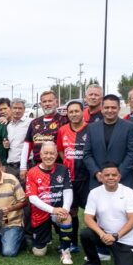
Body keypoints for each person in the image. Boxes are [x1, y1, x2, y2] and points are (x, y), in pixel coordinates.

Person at [77, 163, 133, 265]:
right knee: (86, 234)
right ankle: (93, 262)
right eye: (107, 175)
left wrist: (116, 236)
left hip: (124, 239)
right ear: (101, 177)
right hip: (104, 236)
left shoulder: (129, 192)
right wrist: (102, 234)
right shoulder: (94, 193)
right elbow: (88, 218)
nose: (111, 177)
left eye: (114, 175)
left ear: (119, 177)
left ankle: (130, 255)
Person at [25, 142, 75, 265]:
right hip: (40, 215)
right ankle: (43, 238)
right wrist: (53, 210)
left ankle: (65, 251)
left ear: (56, 155)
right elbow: (32, 199)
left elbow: (68, 191)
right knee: (39, 252)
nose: (49, 156)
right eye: (46, 153)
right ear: (40, 155)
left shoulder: (63, 169)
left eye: (52, 153)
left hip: (58, 212)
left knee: (67, 218)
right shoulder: (32, 172)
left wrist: (65, 209)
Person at [82, 95, 133, 190]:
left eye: (113, 107)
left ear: (119, 109)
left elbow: (132, 153)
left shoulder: (129, 127)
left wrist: (118, 174)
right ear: (102, 109)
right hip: (98, 181)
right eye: (106, 107)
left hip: (122, 180)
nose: (110, 110)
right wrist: (96, 172)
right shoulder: (92, 128)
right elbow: (87, 154)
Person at [55, 100, 88, 253]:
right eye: (71, 112)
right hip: (70, 178)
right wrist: (68, 163)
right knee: (71, 211)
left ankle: (98, 243)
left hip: (87, 178)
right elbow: (61, 151)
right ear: (67, 114)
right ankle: (73, 243)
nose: (74, 114)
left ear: (82, 112)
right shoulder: (62, 130)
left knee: (92, 211)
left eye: (76, 111)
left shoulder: (91, 129)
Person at [23, 90, 67, 170]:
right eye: (44, 101)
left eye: (50, 101)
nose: (47, 104)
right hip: (37, 167)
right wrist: (23, 167)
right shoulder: (34, 123)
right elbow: (27, 145)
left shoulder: (64, 121)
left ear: (56, 102)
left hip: (58, 167)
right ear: (41, 104)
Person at [5, 98, 31, 179]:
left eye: (20, 108)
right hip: (11, 166)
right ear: (11, 109)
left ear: (24, 110)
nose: (17, 110)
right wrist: (6, 145)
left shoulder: (30, 123)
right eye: (15, 108)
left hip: (26, 165)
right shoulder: (8, 126)